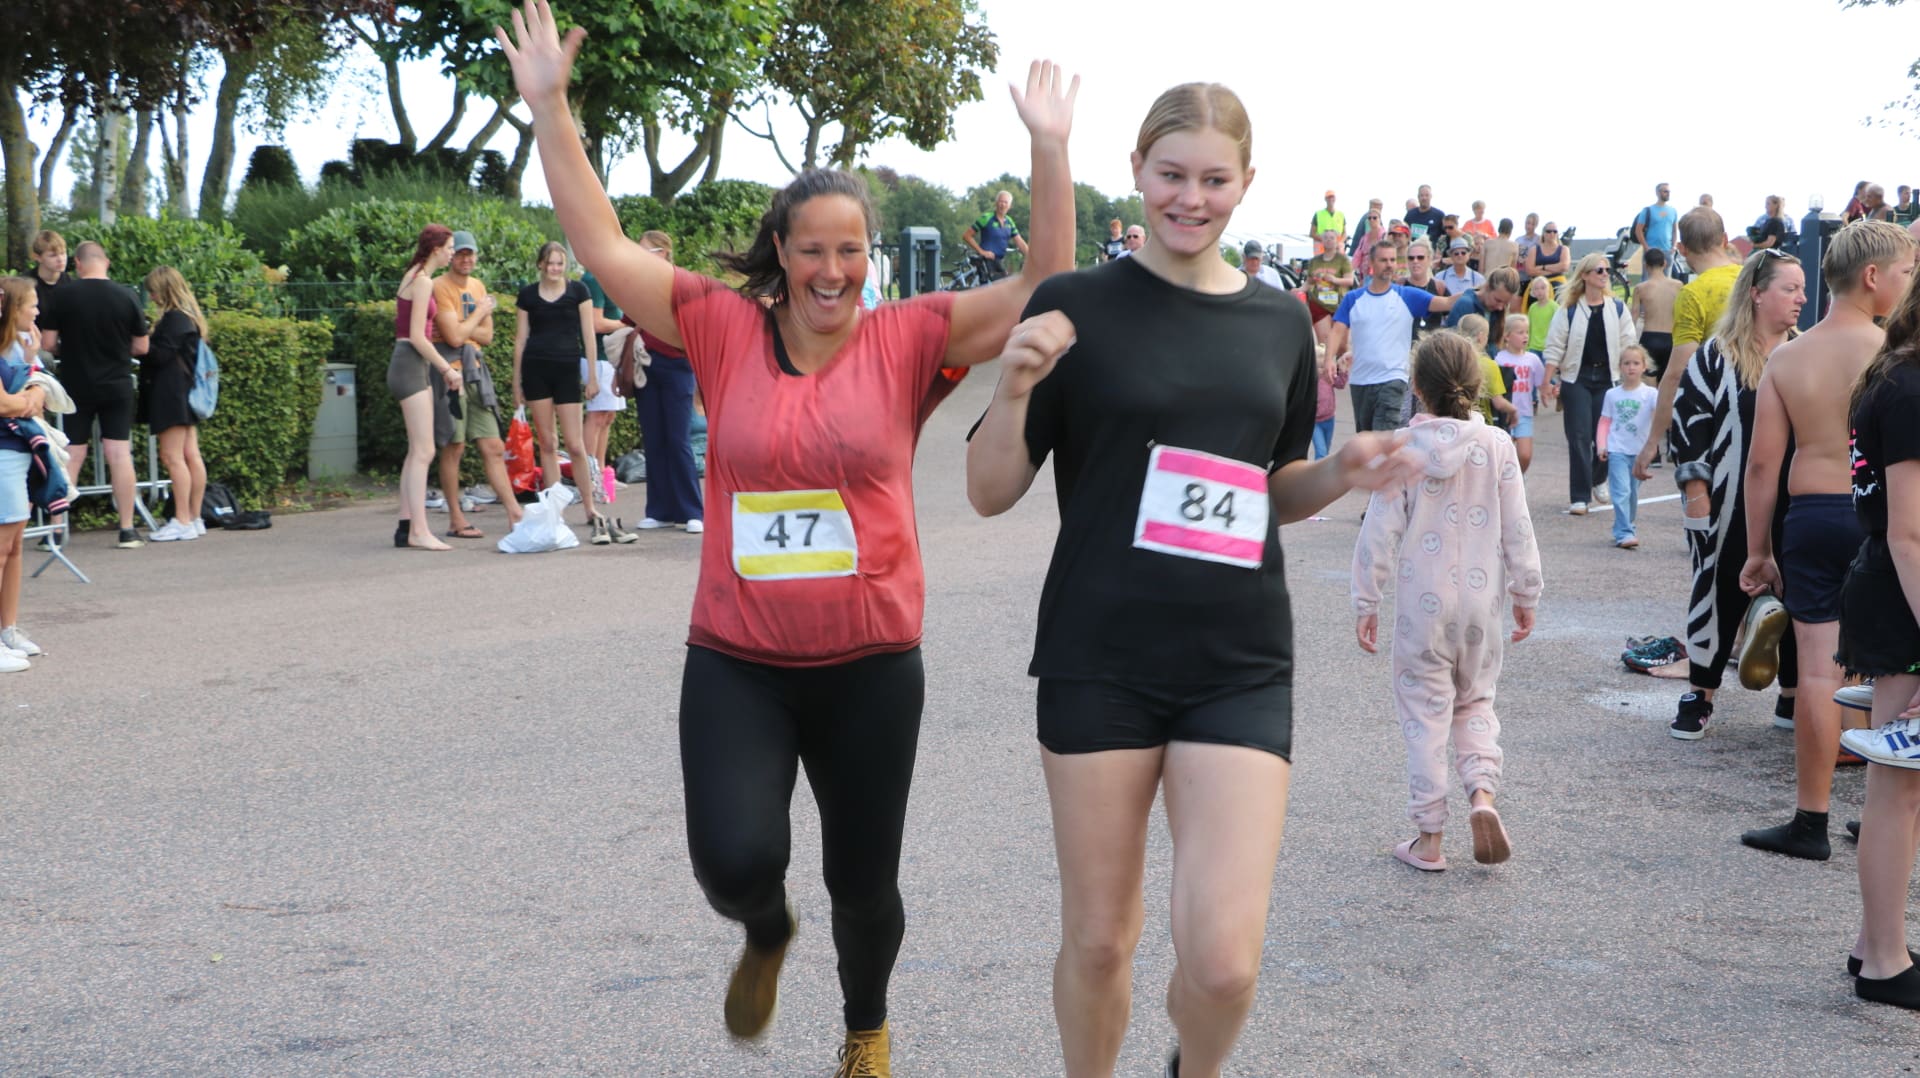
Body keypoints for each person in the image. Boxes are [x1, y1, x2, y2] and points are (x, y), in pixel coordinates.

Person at [497, 4, 1079, 1070]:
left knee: (863, 883)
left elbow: (1044, 281)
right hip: (740, 658)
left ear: (869, 256)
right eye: (812, 249)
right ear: (781, 251)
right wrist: (550, 108)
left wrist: (1048, 148)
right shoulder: (720, 326)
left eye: (851, 250)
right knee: (732, 861)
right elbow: (602, 246)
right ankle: (765, 930)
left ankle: (866, 1029)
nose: (832, 270)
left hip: (871, 663)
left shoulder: (911, 337)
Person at [964, 80, 1423, 1078]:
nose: (1191, 198)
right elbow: (989, 491)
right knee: (1099, 940)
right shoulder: (1074, 305)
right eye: (1172, 175)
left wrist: (1339, 472)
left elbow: (1272, 487)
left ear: (1246, 183)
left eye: (1215, 180)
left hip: (1237, 658)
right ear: (1137, 169)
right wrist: (1014, 387)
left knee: (1222, 965)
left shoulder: (1277, 320)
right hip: (1099, 654)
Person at [1737, 222, 1917, 860]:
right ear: (1872, 277)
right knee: (1889, 669)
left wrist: (1758, 551)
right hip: (1885, 520)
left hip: (1812, 516)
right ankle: (1885, 811)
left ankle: (1810, 821)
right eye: (1904, 273)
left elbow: (1762, 465)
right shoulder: (1895, 356)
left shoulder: (1788, 358)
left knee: (1818, 672)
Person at [1352, 332, 1541, 872]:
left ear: (1416, 386)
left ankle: (1429, 837)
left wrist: (1366, 600)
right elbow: (1518, 527)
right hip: (1481, 606)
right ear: (1477, 384)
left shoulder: (1403, 448)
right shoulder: (1498, 445)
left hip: (1423, 608)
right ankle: (1482, 794)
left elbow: (1379, 531)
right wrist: (1526, 591)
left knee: (1425, 715)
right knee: (1475, 702)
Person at [1664, 249, 1807, 740]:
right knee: (1719, 588)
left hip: (1797, 496)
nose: (1801, 299)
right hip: (1728, 502)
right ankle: (1700, 694)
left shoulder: (1806, 351)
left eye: (1802, 289)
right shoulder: (1716, 355)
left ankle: (1792, 695)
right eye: (1790, 289)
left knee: (1799, 589)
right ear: (1757, 293)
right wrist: (1696, 493)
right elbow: (1689, 426)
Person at [1831, 275, 1920, 1010]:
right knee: (1900, 785)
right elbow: (1908, 533)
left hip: (1892, 588)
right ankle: (1885, 962)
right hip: (1903, 594)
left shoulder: (1893, 374)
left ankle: (1875, 944)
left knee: (1902, 785)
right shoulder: (1910, 385)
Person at [34, 241, 149, 550]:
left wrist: (70, 349)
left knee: (71, 454)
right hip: (117, 384)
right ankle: (127, 529)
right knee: (119, 453)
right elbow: (142, 346)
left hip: (76, 384)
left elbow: (47, 343)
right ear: (106, 262)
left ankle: (55, 531)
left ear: (78, 263)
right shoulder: (127, 295)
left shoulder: (63, 295)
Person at [1636, 207, 1742, 481]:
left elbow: (1676, 373)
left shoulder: (1692, 294)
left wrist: (1653, 441)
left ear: (1682, 249)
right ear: (1725, 239)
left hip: (1718, 411)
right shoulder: (1753, 280)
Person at [515, 240, 611, 540]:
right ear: (541, 264)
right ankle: (554, 509)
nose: (555, 268)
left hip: (568, 370)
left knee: (575, 444)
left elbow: (588, 335)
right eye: (550, 263)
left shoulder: (578, 291)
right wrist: (516, 382)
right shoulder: (528, 295)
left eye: (559, 263)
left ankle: (589, 506)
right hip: (536, 370)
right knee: (547, 443)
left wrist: (592, 376)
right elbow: (520, 339)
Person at [431, 231, 523, 538]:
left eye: (470, 254)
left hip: (475, 372)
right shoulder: (439, 287)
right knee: (454, 446)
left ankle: (515, 513)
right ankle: (456, 519)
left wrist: (464, 326)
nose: (466, 259)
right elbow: (453, 337)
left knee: (493, 445)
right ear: (451, 256)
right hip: (450, 374)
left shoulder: (478, 286)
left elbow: (487, 336)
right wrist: (480, 313)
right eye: (460, 253)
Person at [1327, 241, 1459, 433]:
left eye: (1392, 260)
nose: (1389, 264)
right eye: (1383, 260)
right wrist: (1329, 359)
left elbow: (1446, 302)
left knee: (1383, 437)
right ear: (1372, 262)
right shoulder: (1353, 299)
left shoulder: (1407, 296)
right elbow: (1337, 330)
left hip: (1393, 378)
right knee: (1365, 438)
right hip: (1361, 380)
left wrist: (1481, 290)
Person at [1543, 253, 1638, 514]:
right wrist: (1546, 381)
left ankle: (1598, 478)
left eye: (1607, 270)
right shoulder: (1569, 310)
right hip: (1577, 379)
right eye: (1599, 270)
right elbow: (1554, 346)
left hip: (1608, 379)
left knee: (1607, 436)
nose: (1605, 274)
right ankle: (1580, 497)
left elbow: (1629, 342)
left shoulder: (1617, 308)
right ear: (1584, 275)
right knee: (1579, 436)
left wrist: (1632, 375)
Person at [387, 225, 460, 551]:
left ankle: (406, 527)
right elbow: (417, 336)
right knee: (424, 451)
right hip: (410, 363)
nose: (452, 253)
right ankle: (419, 531)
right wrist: (446, 368)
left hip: (410, 364)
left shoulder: (414, 275)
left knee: (416, 450)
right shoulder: (423, 280)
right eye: (450, 247)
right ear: (436, 249)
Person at [631, 230, 702, 533]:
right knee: (654, 438)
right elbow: (626, 320)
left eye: (644, 251)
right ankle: (659, 510)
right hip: (647, 365)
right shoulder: (637, 284)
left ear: (662, 253)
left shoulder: (681, 283)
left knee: (678, 439)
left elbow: (695, 324)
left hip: (678, 366)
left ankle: (692, 511)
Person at [0, 278, 53, 668]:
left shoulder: (20, 345)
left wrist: (32, 391)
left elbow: (40, 392)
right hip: (4, 452)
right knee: (3, 546)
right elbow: (5, 405)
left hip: (16, 452)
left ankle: (8, 629)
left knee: (14, 545)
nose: (37, 311)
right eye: (30, 305)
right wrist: (28, 399)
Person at [138, 267, 208, 543]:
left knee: (172, 457)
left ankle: (182, 520)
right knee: (191, 456)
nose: (151, 297)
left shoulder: (174, 319)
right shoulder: (189, 318)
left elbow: (159, 355)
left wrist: (141, 343)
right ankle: (194, 517)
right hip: (184, 392)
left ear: (165, 291)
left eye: (154, 291)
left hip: (171, 394)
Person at [1597, 346, 1659, 549]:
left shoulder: (1650, 394)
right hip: (1617, 450)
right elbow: (1605, 421)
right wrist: (1602, 445)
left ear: (1644, 367)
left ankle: (1625, 525)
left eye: (1636, 363)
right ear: (1620, 367)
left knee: (1632, 494)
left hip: (1639, 452)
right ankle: (1624, 532)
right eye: (1626, 363)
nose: (1631, 367)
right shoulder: (1612, 394)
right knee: (1621, 491)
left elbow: (1660, 415)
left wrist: (1654, 444)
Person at [1494, 310, 1546, 472]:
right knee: (1505, 455)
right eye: (1520, 332)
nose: (1525, 336)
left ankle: (1518, 478)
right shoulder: (1499, 358)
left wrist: (1551, 391)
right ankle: (1505, 481)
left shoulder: (1533, 359)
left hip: (1524, 413)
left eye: (1527, 332)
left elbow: (1542, 383)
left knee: (1525, 455)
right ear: (1507, 336)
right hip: (1504, 413)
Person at [1453, 316, 1515, 428]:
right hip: (1481, 424)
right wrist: (1513, 410)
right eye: (1487, 335)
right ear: (1481, 337)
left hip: (1455, 421)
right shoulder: (1489, 365)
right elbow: (1499, 403)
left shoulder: (1452, 361)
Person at [1631, 247, 1681, 383]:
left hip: (1649, 339)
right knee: (1668, 384)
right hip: (1671, 339)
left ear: (1645, 265)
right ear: (1665, 264)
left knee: (1649, 385)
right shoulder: (1678, 285)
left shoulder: (1640, 288)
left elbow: (1634, 315)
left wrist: (1630, 341)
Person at [962, 190, 1029, 280]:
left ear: (1010, 206)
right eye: (1001, 201)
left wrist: (1031, 257)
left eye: (1006, 202)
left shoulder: (1009, 221)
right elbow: (967, 236)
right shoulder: (986, 218)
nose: (1003, 205)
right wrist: (981, 251)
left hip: (998, 260)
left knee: (1006, 283)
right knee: (994, 285)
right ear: (996, 203)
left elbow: (1019, 241)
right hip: (985, 261)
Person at [1304, 229, 1354, 345]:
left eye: (1332, 238)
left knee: (1341, 345)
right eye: (1326, 238)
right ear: (1322, 241)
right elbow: (1309, 282)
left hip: (1339, 303)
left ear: (1337, 241)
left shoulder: (1343, 260)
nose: (1329, 240)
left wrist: (1334, 279)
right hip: (1319, 302)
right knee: (1325, 342)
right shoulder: (1314, 261)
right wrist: (1298, 290)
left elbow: (1350, 281)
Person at [28, 230, 69, 365]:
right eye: (53, 255)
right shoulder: (27, 284)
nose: (60, 259)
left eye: (63, 253)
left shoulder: (70, 283)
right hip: (34, 344)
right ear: (38, 257)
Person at [1633, 182, 1679, 262]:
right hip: (1651, 250)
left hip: (1668, 251)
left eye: (1669, 191)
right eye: (1665, 191)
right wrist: (1646, 247)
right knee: (1649, 271)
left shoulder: (1673, 211)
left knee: (1667, 271)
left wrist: (1674, 247)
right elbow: (1638, 230)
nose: (1668, 194)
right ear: (1657, 193)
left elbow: (1675, 231)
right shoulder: (1647, 210)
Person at [1522, 221, 1569, 289]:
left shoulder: (1564, 249)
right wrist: (1553, 270)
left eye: (1555, 231)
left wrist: (1543, 267)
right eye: (1548, 231)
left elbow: (1564, 267)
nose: (1552, 233)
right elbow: (1530, 271)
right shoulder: (1534, 249)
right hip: (1537, 284)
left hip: (1558, 283)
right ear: (1543, 233)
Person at [1524, 275, 1555, 352]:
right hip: (1533, 348)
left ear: (1548, 289)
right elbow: (1529, 328)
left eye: (1543, 288)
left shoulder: (1555, 307)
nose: (1539, 291)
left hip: (1548, 348)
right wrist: (1527, 346)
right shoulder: (1532, 308)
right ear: (1533, 292)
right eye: (1536, 289)